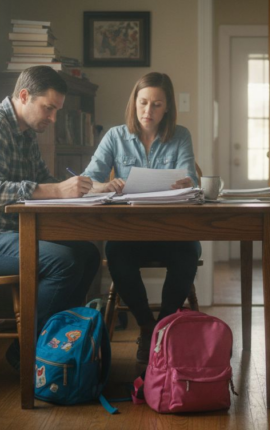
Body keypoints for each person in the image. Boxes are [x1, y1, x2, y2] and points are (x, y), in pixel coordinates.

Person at [0, 66, 101, 371]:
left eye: (56, 110)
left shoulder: (25, 134)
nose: (52, 118)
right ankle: (25, 352)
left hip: (1, 235)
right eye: (48, 108)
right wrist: (56, 189)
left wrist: (87, 189)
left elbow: (44, 181)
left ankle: (57, 344)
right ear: (24, 96)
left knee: (88, 253)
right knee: (64, 262)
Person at [83, 72, 201, 363]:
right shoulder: (114, 136)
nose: (149, 111)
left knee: (189, 251)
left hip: (170, 231)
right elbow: (87, 180)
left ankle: (166, 324)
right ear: (134, 103)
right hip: (131, 232)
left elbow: (190, 177)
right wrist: (104, 185)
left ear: (168, 107)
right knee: (115, 252)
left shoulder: (180, 135)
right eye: (144, 103)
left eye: (157, 105)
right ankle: (148, 326)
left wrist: (188, 182)